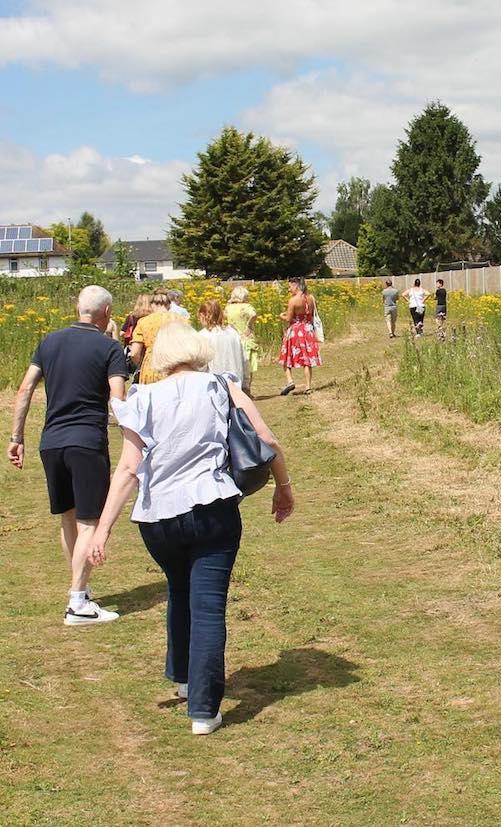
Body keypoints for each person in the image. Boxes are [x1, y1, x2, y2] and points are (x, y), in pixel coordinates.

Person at [88, 321, 294, 734]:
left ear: (160, 356)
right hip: (212, 508)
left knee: (179, 590)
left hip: (157, 519)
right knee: (208, 605)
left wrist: (102, 529)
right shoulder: (221, 385)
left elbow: (128, 468)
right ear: (198, 350)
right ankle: (203, 710)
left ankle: (184, 679)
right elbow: (265, 436)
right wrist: (284, 487)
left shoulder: (142, 397)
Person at [7, 285, 128, 625]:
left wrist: (17, 437)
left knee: (68, 517)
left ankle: (81, 588)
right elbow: (117, 400)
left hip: (51, 443)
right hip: (87, 442)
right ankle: (77, 602)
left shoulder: (49, 342)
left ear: (78, 308)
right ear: (106, 313)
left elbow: (25, 388)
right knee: (89, 520)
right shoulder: (110, 348)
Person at [278, 276, 320, 395]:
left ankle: (290, 380)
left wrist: (282, 316)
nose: (289, 290)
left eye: (290, 287)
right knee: (307, 359)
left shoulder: (293, 300)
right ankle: (308, 386)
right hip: (308, 330)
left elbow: (289, 318)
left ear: (296, 285)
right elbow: (311, 314)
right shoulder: (311, 298)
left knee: (286, 356)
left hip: (295, 331)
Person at [131, 291, 183, 385]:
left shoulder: (144, 322)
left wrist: (140, 364)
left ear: (152, 305)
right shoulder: (181, 319)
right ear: (169, 305)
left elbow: (134, 353)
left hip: (152, 366)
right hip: (176, 367)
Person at [197, 300, 246, 386]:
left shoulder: (203, 336)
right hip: (235, 383)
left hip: (214, 385)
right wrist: (245, 383)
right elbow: (243, 359)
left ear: (202, 316)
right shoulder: (233, 333)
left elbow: (200, 365)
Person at [224, 286, 259, 393]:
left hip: (233, 338)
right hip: (246, 337)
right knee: (248, 366)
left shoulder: (228, 308)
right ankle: (247, 389)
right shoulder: (247, 306)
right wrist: (248, 325)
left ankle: (236, 389)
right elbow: (253, 314)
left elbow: (224, 318)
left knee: (235, 363)